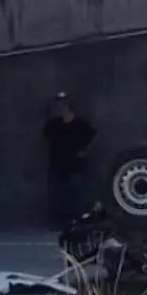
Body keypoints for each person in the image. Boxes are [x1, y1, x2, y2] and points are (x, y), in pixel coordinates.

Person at [42, 93, 96, 228]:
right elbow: (45, 140)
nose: (60, 107)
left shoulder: (80, 124)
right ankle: (58, 223)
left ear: (69, 106)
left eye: (63, 104)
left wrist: (84, 152)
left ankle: (77, 223)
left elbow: (93, 138)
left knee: (76, 197)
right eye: (58, 105)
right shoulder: (53, 124)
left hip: (74, 166)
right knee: (57, 197)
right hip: (57, 165)